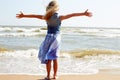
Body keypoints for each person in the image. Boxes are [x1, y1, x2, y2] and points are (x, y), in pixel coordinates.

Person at [16, 0, 92, 80]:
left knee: (48, 58)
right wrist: (83, 14)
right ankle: (55, 75)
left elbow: (35, 16)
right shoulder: (60, 17)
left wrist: (23, 16)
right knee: (55, 58)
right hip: (56, 38)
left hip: (48, 38)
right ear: (57, 8)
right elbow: (72, 15)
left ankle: (48, 76)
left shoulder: (46, 17)